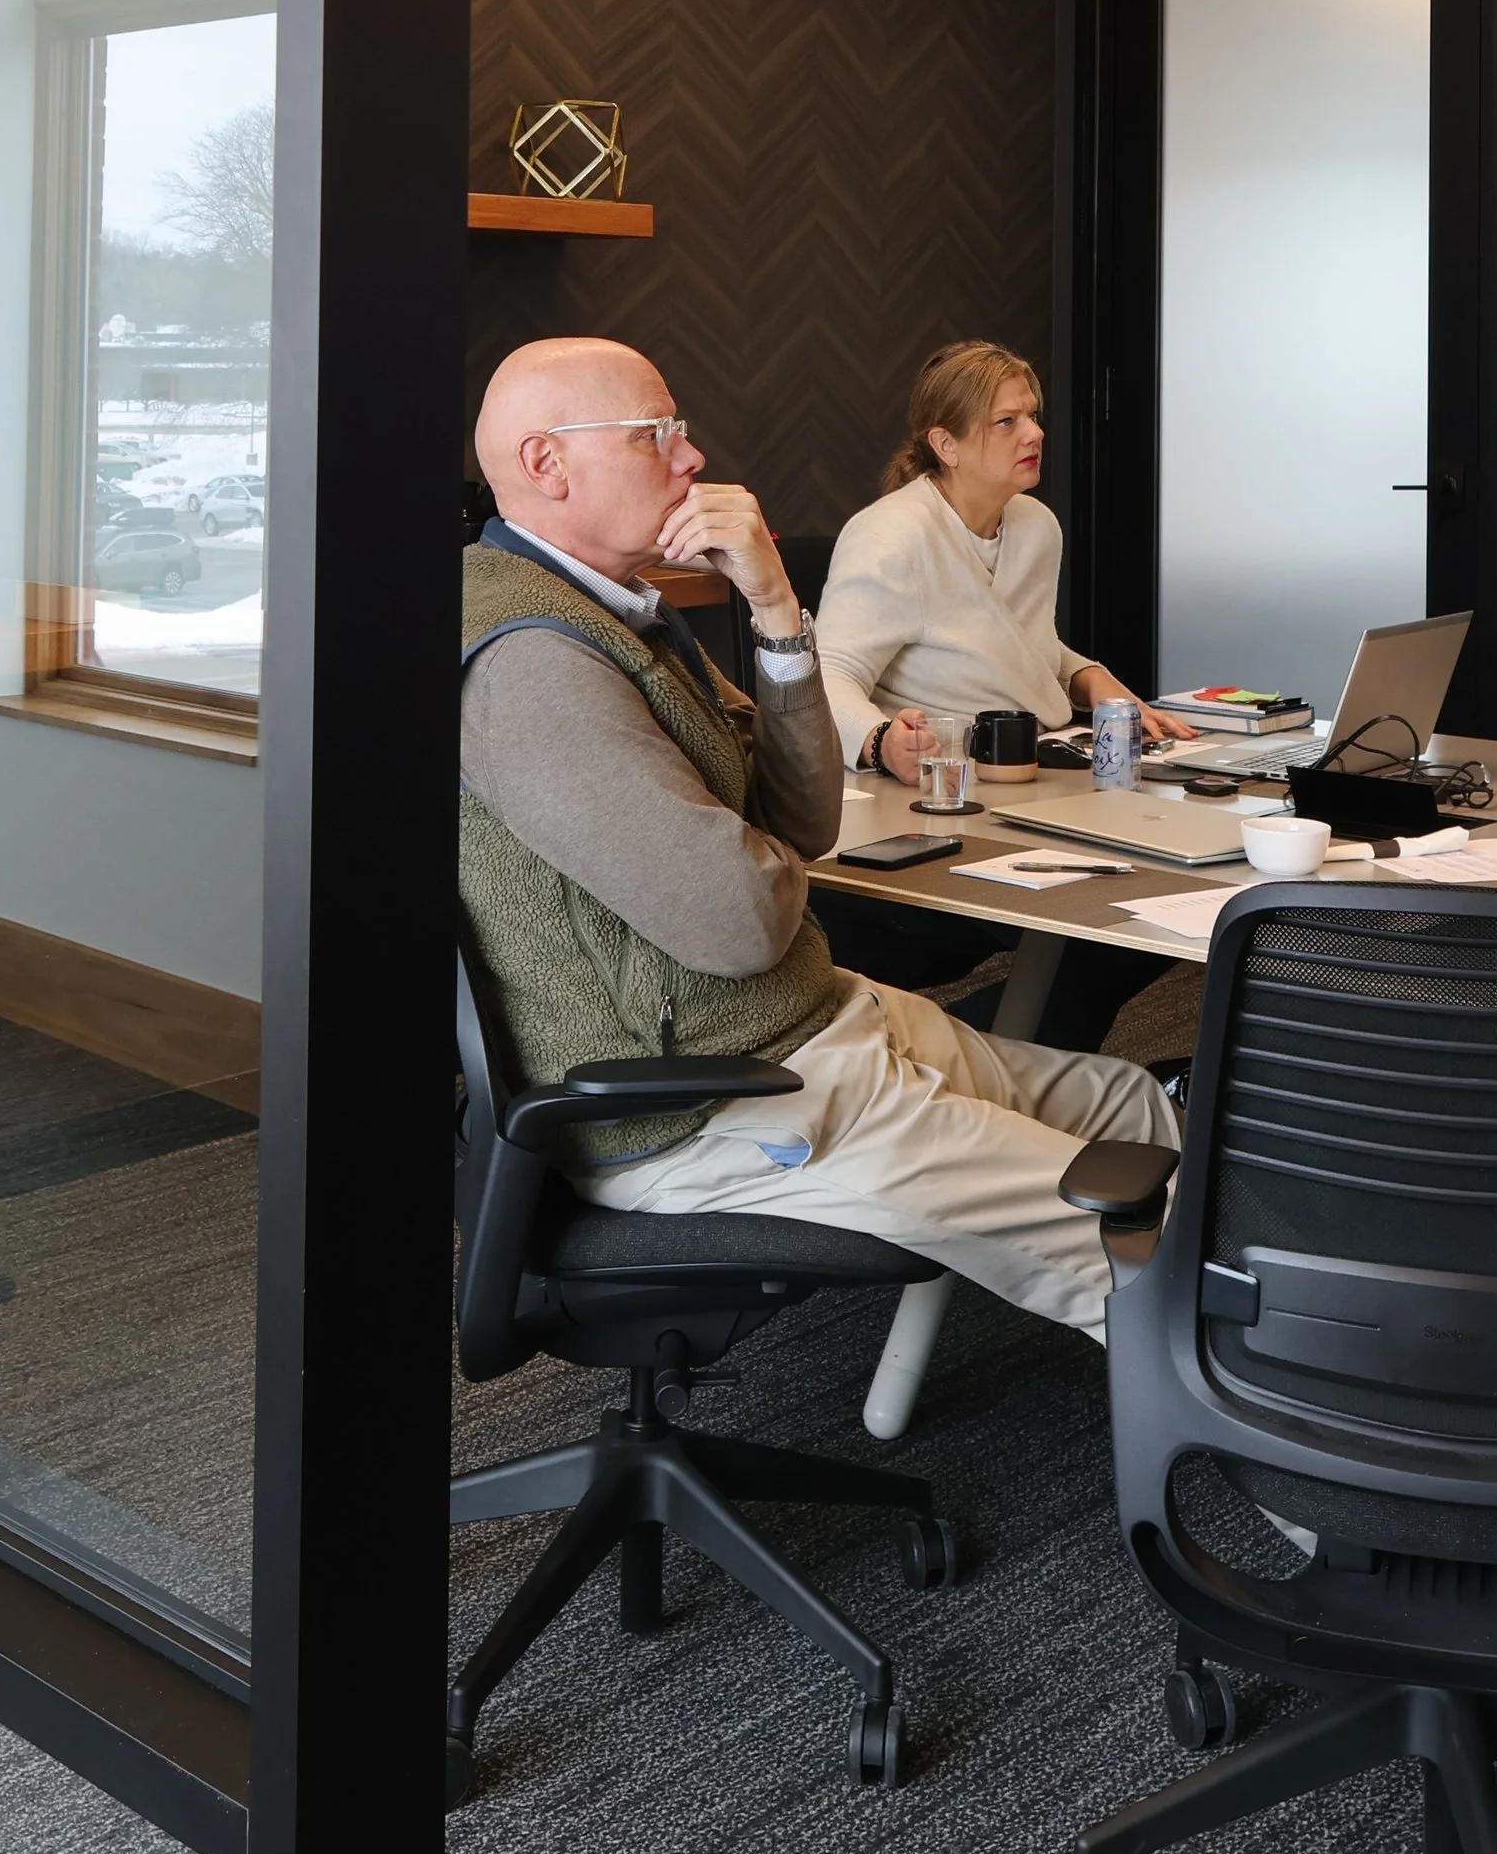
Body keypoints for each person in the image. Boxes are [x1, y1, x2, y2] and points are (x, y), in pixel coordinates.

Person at [458, 333, 1177, 1336]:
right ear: (547, 464)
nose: (691, 457)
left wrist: (774, 611)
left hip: (812, 1023)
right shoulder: (535, 661)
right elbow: (740, 922)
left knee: (1138, 1113)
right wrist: (769, 859)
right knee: (1151, 1238)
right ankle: (1314, 1457)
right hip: (711, 1104)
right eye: (655, 434)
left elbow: (801, 820)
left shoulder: (625, 617)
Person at [816, 340, 1193, 1050]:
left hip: (1039, 776)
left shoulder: (1033, 525)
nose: (1035, 434)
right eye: (1006, 422)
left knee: (1166, 900)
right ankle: (986, 1057)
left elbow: (1024, 647)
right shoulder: (891, 535)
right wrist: (878, 740)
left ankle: (998, 1052)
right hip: (945, 800)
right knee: (1112, 923)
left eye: (1034, 416)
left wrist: (1091, 678)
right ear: (945, 444)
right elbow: (827, 671)